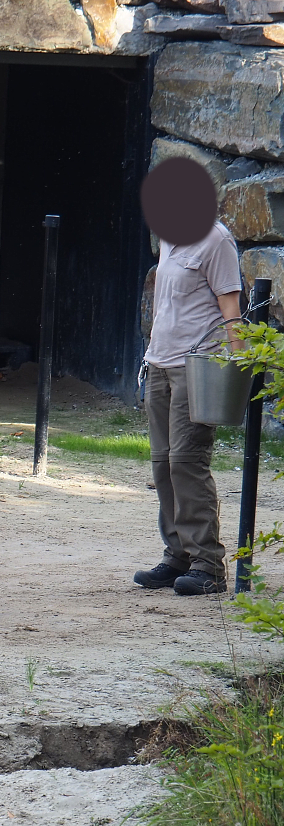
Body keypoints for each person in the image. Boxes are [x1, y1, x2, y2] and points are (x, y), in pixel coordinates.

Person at [133, 159, 242, 596]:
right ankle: (176, 554)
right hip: (160, 364)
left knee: (186, 463)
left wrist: (239, 371)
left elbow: (232, 311)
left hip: (197, 367)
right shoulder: (170, 238)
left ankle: (208, 565)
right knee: (163, 465)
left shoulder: (216, 241)